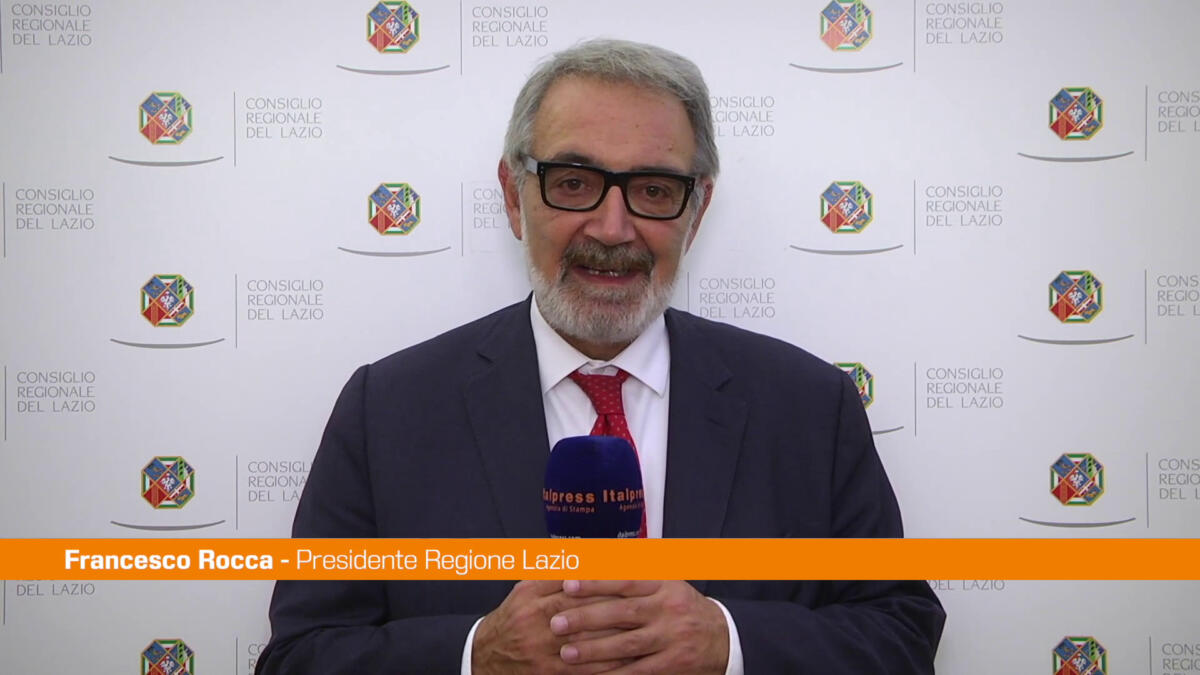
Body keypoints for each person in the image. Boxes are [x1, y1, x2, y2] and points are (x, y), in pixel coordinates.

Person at [256, 39, 944, 674]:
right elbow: (299, 656)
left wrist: (729, 642)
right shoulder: (387, 410)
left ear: (697, 211)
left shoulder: (808, 407)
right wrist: (476, 655)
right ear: (514, 196)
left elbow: (901, 633)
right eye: (574, 182)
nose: (613, 229)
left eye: (653, 190)